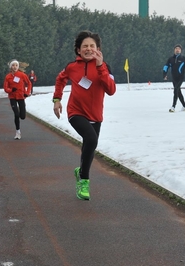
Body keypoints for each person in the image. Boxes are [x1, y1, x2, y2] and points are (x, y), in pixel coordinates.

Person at [53, 30, 116, 200]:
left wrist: (100, 67)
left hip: (95, 115)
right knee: (91, 139)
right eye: (85, 46)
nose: (89, 49)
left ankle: (80, 171)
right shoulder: (72, 67)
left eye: (92, 46)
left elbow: (111, 90)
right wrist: (57, 99)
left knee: (89, 145)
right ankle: (84, 180)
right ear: (79, 50)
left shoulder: (105, 67)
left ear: (98, 49)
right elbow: (60, 79)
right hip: (76, 112)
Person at [3, 59, 32, 140]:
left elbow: (29, 83)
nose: (15, 67)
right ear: (10, 67)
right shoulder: (8, 77)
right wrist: (11, 90)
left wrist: (27, 92)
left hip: (21, 96)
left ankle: (21, 114)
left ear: (18, 66)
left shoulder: (22, 75)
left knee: (22, 116)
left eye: (16, 65)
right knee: (16, 114)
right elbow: (5, 88)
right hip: (12, 97)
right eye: (13, 65)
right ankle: (17, 132)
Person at [162, 44, 185, 112]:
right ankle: (184, 106)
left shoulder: (183, 59)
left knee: (175, 90)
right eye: (176, 48)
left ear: (181, 50)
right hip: (174, 78)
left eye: (179, 49)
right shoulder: (170, 59)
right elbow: (166, 67)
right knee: (178, 92)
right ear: (174, 50)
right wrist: (164, 74)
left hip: (181, 77)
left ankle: (173, 106)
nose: (177, 50)